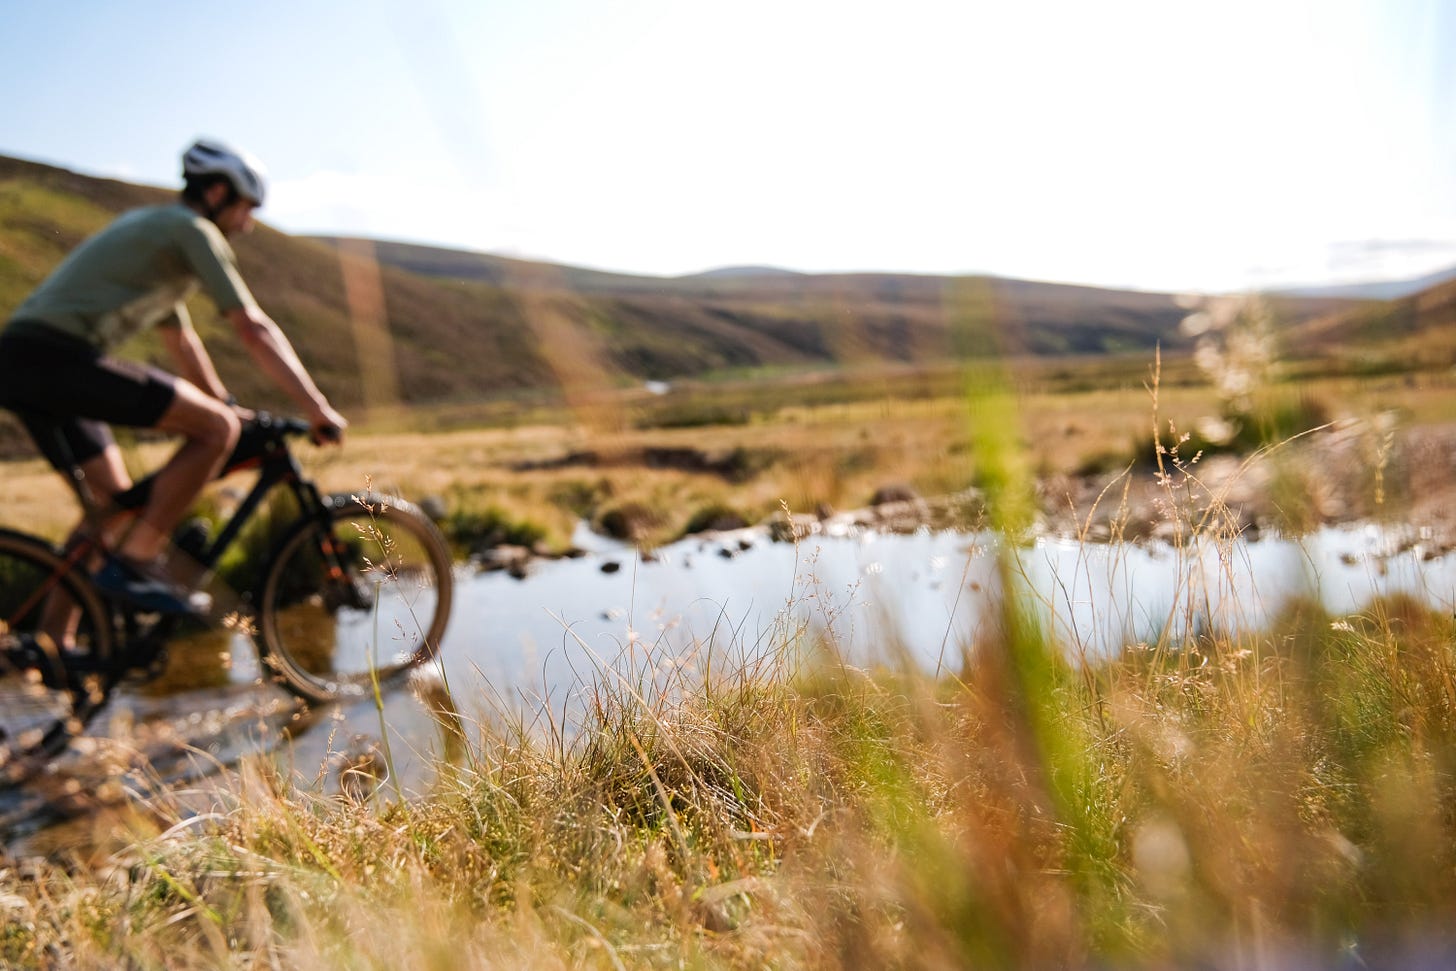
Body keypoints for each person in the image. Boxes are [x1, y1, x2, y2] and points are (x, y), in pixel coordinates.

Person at [0, 138, 348, 613]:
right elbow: (252, 327)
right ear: (219, 193)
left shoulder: (158, 236)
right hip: (55, 357)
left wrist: (222, 403)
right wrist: (316, 409)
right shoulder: (192, 230)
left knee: (113, 509)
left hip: (22, 362)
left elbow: (183, 344)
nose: (247, 225)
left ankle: (56, 647)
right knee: (215, 431)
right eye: (246, 209)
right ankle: (139, 561)